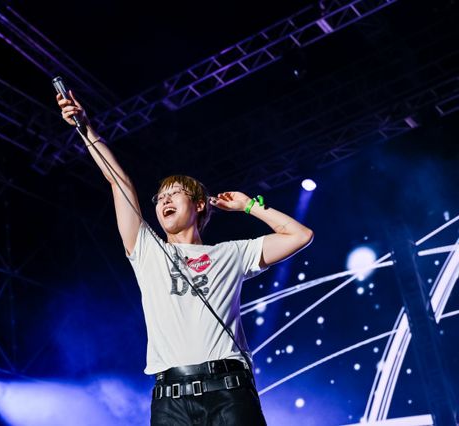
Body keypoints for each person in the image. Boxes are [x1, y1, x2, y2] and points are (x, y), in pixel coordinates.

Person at [57, 91, 313, 425]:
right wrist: (86, 129)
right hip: (171, 400)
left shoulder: (232, 253)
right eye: (160, 197)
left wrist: (249, 206)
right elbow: (119, 182)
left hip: (230, 393)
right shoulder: (146, 248)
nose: (164, 200)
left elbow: (299, 236)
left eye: (174, 193)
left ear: (199, 204)